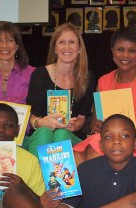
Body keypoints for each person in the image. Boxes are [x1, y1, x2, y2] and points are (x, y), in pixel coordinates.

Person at [74, 27, 136, 178]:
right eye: (120, 49)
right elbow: (94, 123)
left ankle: (102, 198)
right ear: (112, 51)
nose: (125, 55)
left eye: (132, 51)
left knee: (96, 148)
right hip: (109, 139)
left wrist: (120, 135)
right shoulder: (104, 81)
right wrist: (97, 126)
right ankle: (79, 200)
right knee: (75, 154)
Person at [23, 23, 95, 157]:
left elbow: (82, 118)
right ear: (55, 48)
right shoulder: (40, 75)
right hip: (42, 134)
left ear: (79, 48)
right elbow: (31, 116)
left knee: (61, 134)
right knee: (44, 132)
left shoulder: (87, 78)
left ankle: (58, 178)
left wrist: (73, 126)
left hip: (71, 135)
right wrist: (41, 122)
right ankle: (40, 177)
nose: (67, 47)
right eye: (62, 42)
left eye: (72, 42)